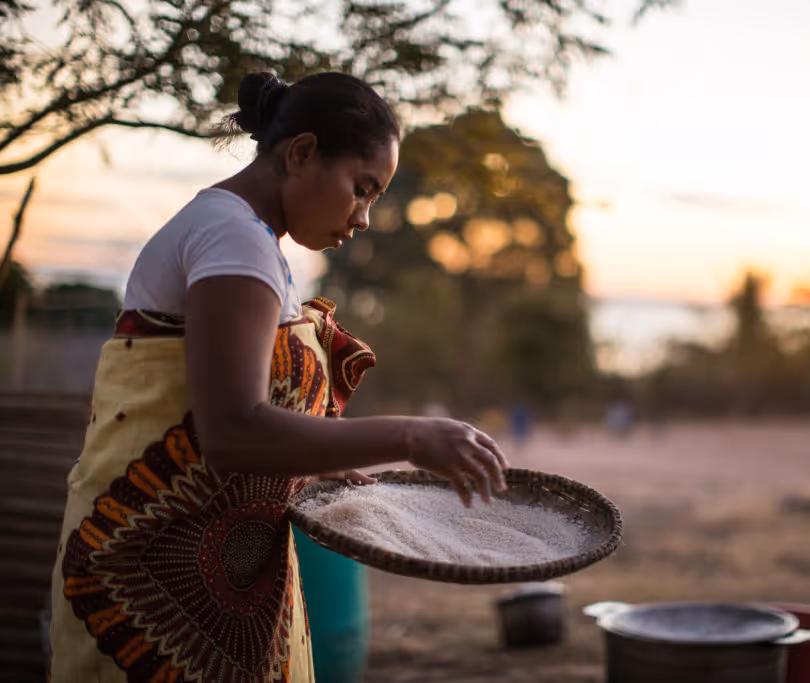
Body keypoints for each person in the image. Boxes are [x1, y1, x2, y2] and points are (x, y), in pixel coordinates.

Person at [48, 71, 509, 683]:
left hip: (212, 568)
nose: (365, 217)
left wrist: (323, 465)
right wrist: (411, 437)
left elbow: (221, 411)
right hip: (153, 575)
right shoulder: (234, 238)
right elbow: (232, 431)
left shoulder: (250, 239)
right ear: (301, 154)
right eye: (361, 189)